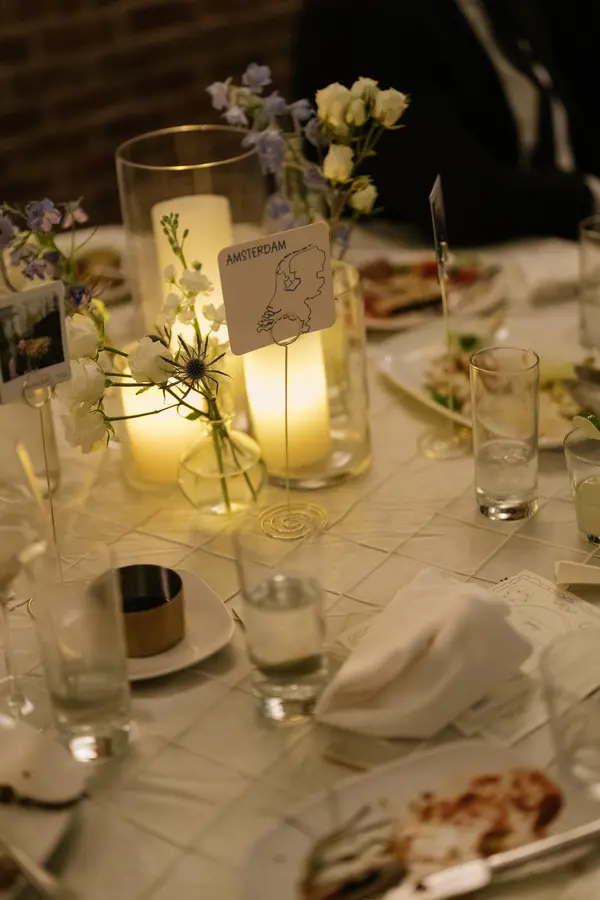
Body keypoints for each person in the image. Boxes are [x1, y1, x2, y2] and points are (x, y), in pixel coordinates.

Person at [294, 0, 600, 245]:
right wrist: (590, 198)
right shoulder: (361, 15)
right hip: (426, 259)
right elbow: (456, 198)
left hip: (548, 230)